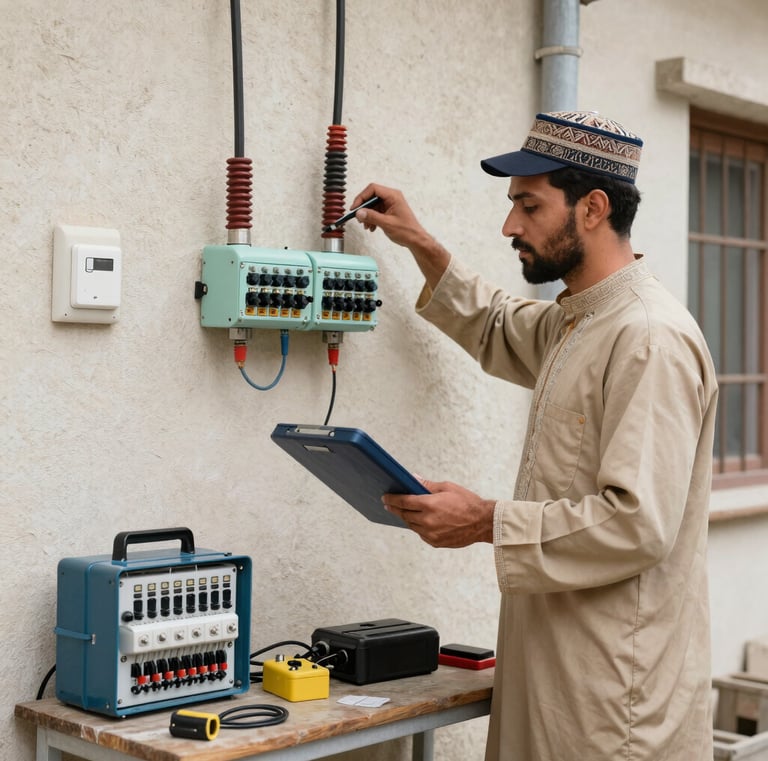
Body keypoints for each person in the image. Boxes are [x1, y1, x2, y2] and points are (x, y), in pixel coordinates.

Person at [350, 111, 718, 761]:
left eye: (529, 205)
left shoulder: (649, 338)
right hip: (555, 678)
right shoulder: (575, 323)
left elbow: (639, 523)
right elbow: (493, 322)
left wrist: (486, 519)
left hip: (615, 706)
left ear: (593, 208)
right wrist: (418, 241)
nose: (510, 226)